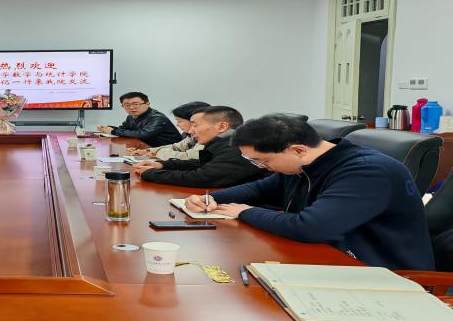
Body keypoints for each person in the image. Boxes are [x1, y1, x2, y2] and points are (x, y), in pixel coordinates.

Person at [182, 114, 434, 270]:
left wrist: (245, 212)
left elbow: (310, 227)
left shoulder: (367, 172)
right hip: (328, 258)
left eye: (263, 161)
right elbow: (261, 189)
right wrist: (211, 198)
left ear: (298, 150)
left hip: (381, 272)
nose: (263, 168)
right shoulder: (306, 165)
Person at [132, 106, 268, 188]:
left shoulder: (236, 147)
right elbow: (200, 163)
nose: (191, 131)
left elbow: (203, 177)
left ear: (222, 126)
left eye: (195, 125)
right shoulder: (221, 143)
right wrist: (161, 165)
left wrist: (151, 173)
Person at [127, 101, 209, 160]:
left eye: (180, 121)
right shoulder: (191, 136)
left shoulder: (207, 138)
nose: (177, 125)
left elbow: (188, 157)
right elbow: (176, 147)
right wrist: (147, 151)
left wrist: (158, 152)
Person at [96, 92, 182, 147]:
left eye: (136, 104)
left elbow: (144, 134)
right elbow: (124, 129)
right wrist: (109, 128)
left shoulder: (157, 117)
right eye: (127, 105)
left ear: (147, 104)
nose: (131, 107)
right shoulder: (131, 116)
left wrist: (113, 131)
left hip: (169, 151)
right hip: (147, 148)